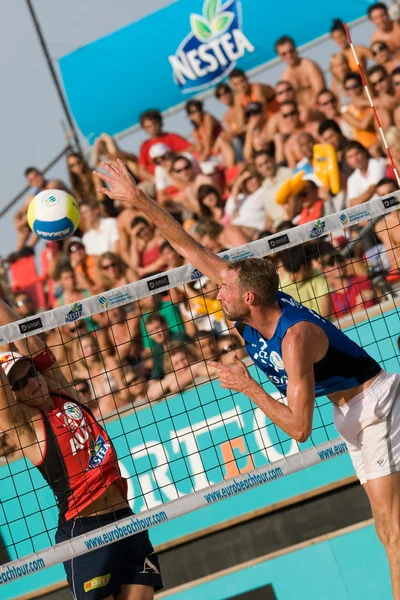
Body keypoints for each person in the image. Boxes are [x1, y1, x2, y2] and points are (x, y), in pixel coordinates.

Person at [96, 158, 400, 598]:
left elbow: (299, 428)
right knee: (384, 526)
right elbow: (188, 247)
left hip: (376, 403)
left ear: (250, 298)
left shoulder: (293, 340)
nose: (216, 291)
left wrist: (247, 386)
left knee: (391, 528)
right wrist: (138, 199)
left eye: (224, 290)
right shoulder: (247, 299)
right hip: (349, 413)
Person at [0, 298, 162, 598]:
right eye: (20, 384)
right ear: (15, 396)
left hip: (124, 517)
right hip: (85, 530)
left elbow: (24, 338)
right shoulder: (29, 429)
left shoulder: (65, 393)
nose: (32, 382)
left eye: (31, 373)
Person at [138, 109, 193, 178]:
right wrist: (155, 180)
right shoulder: (145, 145)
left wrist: (174, 156)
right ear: (145, 129)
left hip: (178, 175)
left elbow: (192, 148)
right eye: (148, 127)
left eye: (154, 124)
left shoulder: (171, 137)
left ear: (160, 122)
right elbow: (141, 169)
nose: (153, 128)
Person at [275, 35, 325, 107]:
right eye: (284, 54)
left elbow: (320, 90)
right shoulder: (285, 76)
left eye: (291, 51)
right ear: (280, 56)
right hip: (301, 112)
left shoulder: (308, 66)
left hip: (319, 106)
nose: (289, 55)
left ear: (295, 49)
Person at [185, 99, 235, 168]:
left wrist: (205, 154)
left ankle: (231, 169)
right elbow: (199, 148)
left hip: (221, 148)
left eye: (198, 110)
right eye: (193, 112)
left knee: (221, 141)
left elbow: (208, 136)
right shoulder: (195, 131)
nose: (198, 114)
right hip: (212, 153)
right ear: (190, 116)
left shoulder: (207, 117)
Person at [253, 150, 292, 231]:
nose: (265, 167)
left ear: (273, 160)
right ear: (258, 169)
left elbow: (294, 202)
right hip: (276, 227)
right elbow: (269, 214)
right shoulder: (265, 184)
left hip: (289, 222)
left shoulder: (287, 174)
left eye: (266, 162)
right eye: (260, 166)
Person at [344, 141, 387, 206]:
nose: (355, 159)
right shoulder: (351, 179)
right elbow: (352, 204)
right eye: (350, 157)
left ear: (364, 153)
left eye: (357, 154)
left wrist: (357, 203)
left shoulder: (377, 163)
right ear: (347, 162)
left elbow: (371, 190)